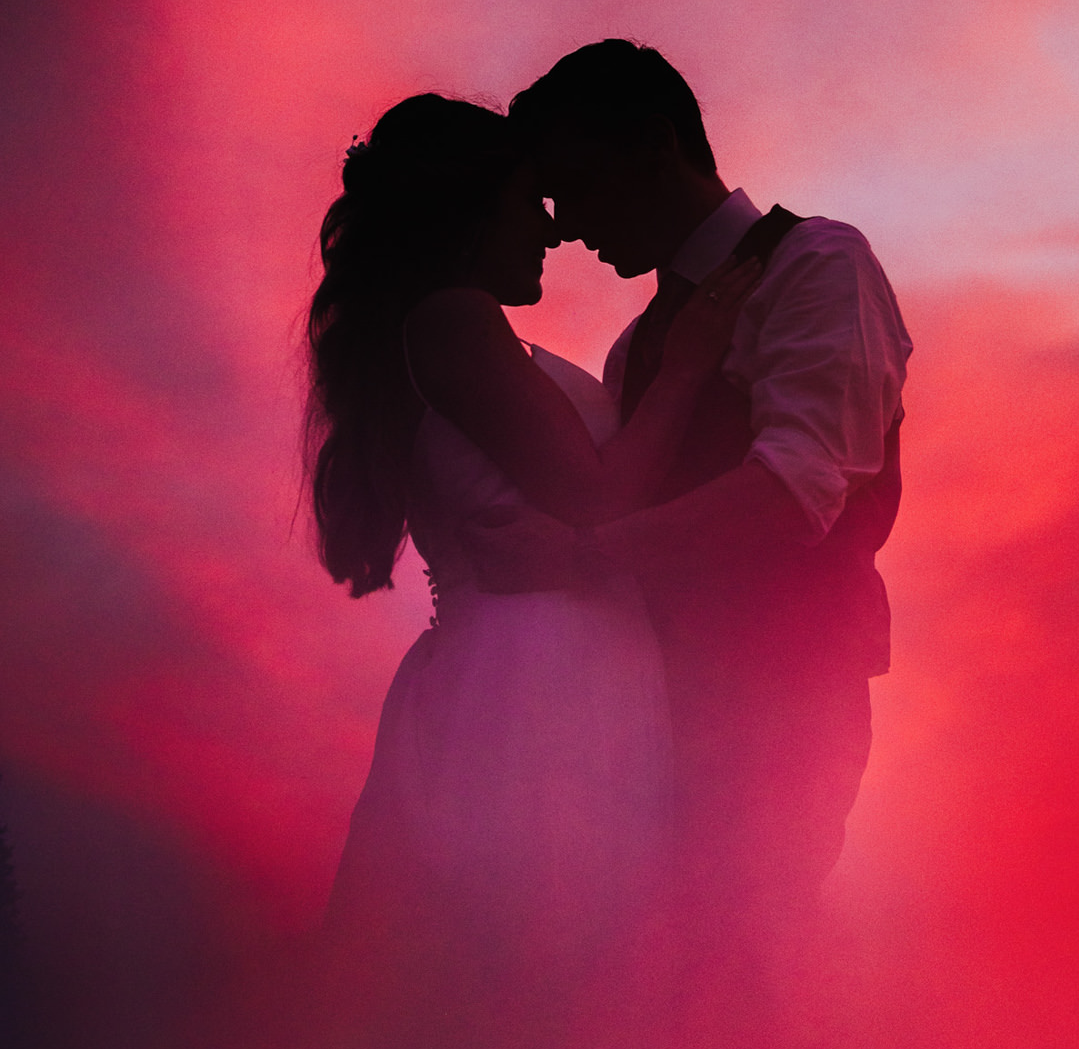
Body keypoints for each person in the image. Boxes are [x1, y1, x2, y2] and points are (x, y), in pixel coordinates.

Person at [304, 91, 760, 963]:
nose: (551, 232)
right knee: (546, 948)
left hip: (555, 662)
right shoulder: (452, 319)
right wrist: (687, 367)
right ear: (470, 212)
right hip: (536, 680)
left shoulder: (465, 331)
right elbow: (598, 496)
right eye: (528, 203)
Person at [474, 41, 913, 927]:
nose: (563, 225)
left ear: (653, 145)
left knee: (742, 969)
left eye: (577, 186)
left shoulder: (816, 264)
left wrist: (580, 556)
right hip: (651, 716)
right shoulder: (638, 350)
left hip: (782, 708)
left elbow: (794, 494)